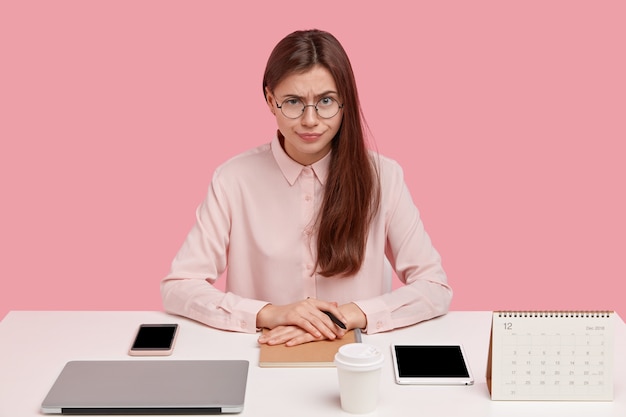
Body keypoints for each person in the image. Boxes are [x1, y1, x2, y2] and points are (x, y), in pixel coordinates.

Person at [161, 29, 452, 347]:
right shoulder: (233, 179)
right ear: (271, 101)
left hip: (357, 360)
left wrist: (348, 315)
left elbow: (434, 287)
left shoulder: (385, 177)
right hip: (262, 356)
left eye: (325, 101)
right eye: (293, 102)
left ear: (345, 102)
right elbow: (179, 286)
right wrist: (271, 314)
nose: (310, 120)